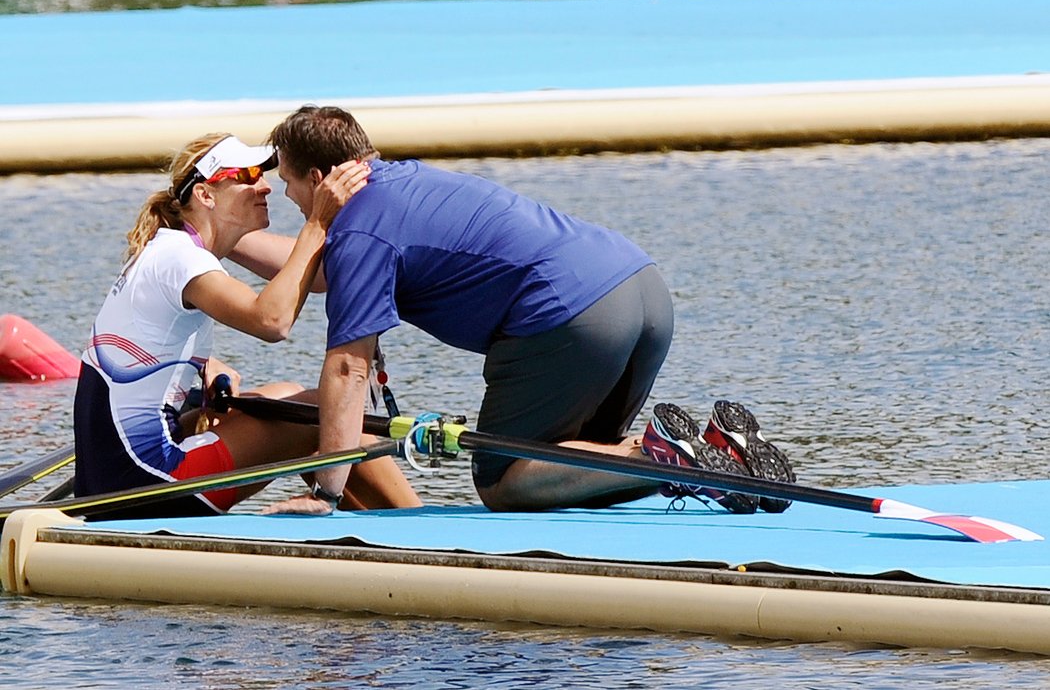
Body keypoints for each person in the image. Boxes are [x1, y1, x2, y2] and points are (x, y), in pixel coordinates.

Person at [231, 105, 795, 516]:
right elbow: (323, 272)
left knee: (506, 479)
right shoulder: (408, 182)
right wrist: (225, 241)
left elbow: (348, 369)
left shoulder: (361, 230)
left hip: (572, 316)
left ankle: (663, 457)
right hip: (640, 287)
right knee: (577, 470)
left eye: (287, 182)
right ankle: (715, 455)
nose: (287, 198)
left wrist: (326, 492)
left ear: (317, 177)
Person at [73, 132, 421, 519]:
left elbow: (146, 342)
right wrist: (319, 223)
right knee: (327, 407)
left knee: (284, 396)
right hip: (147, 481)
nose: (266, 185)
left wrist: (202, 366)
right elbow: (271, 321)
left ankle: (362, 519)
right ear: (206, 195)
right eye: (250, 174)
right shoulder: (180, 259)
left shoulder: (164, 249)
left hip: (108, 478)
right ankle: (416, 526)